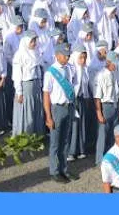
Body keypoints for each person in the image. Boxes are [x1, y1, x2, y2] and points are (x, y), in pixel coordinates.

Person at [43, 43, 77, 183]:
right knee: (55, 142)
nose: (67, 57)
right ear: (57, 56)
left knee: (65, 140)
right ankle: (54, 171)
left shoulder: (69, 68)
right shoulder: (50, 72)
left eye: (68, 55)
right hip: (57, 108)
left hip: (68, 106)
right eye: (65, 55)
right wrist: (48, 117)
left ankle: (64, 169)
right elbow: (46, 95)